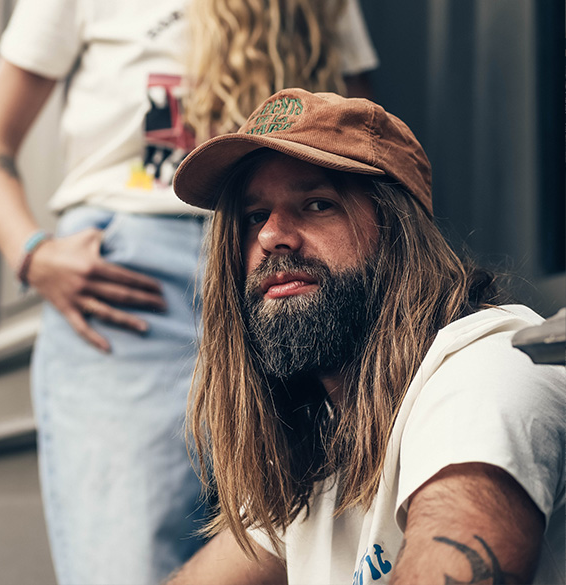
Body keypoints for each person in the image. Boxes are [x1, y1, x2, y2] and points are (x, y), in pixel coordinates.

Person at [0, 0, 378, 583]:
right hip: (129, 293)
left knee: (296, 557)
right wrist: (34, 254)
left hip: (278, 281)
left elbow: (363, 152)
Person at [167, 88, 565, 585]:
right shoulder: (319, 448)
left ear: (399, 233)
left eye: (317, 204)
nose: (272, 236)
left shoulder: (486, 370)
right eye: (254, 217)